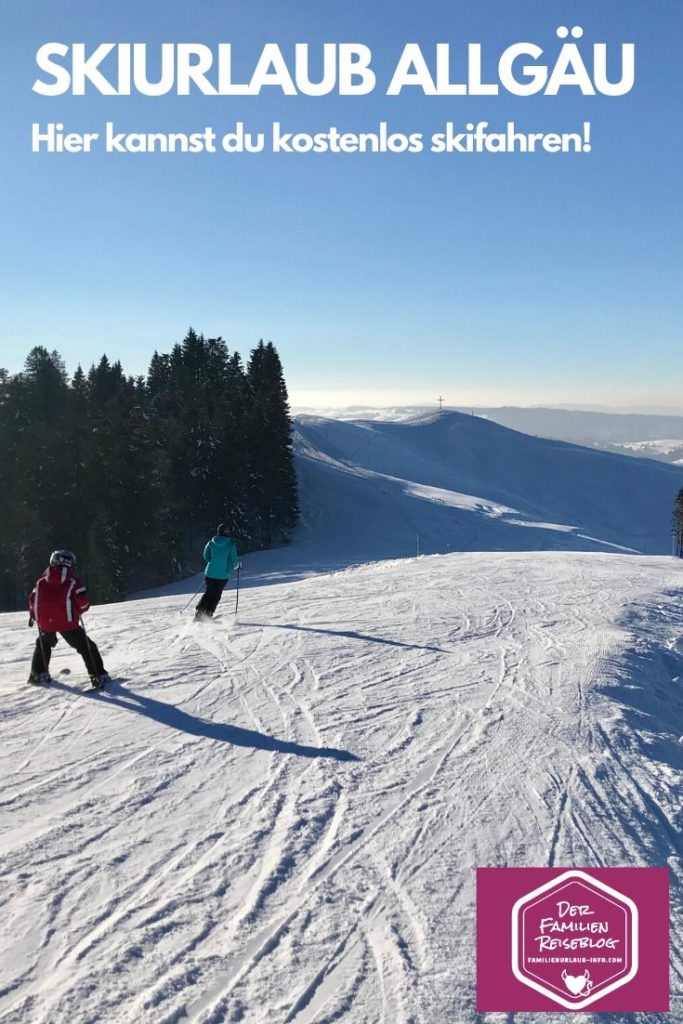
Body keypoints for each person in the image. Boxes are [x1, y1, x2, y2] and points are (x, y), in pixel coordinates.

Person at [28, 549, 110, 688]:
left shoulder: (41, 582)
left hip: (46, 623)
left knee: (43, 643)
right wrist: (81, 609)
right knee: (86, 647)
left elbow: (32, 600)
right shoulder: (72, 581)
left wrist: (34, 616)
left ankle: (38, 674)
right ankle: (98, 675)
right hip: (67, 623)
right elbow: (82, 602)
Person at [195, 524, 239, 619]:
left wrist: (212, 562)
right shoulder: (230, 544)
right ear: (227, 532)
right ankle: (208, 613)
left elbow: (205, 555)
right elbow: (234, 561)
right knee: (217, 594)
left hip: (210, 572)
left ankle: (200, 612)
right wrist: (235, 566)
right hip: (222, 575)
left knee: (208, 592)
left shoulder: (211, 542)